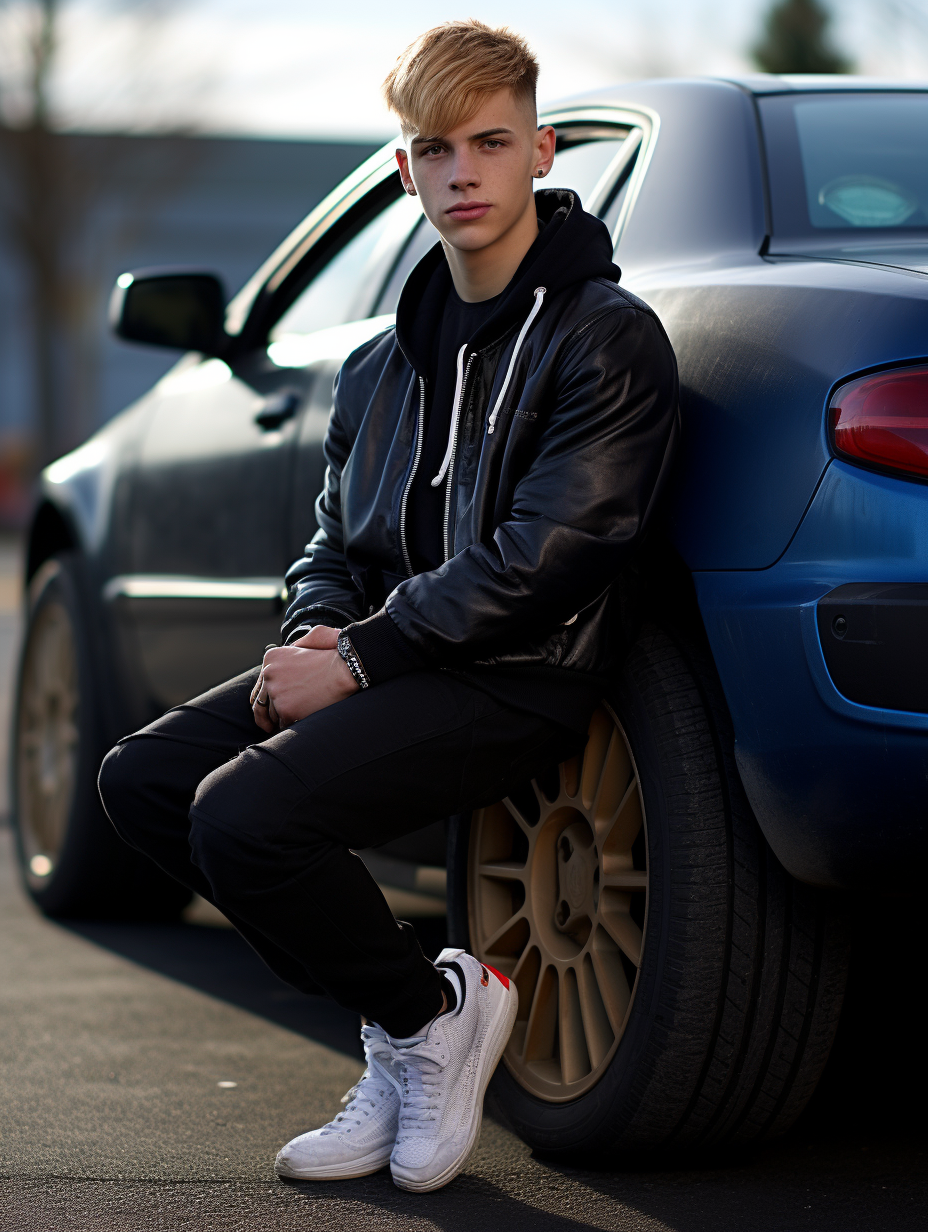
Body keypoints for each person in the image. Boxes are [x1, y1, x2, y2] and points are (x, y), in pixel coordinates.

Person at [98, 19, 679, 1193]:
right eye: (434, 147)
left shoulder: (605, 338)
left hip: (522, 672)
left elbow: (553, 553)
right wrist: (316, 627)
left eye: (490, 141)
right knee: (142, 783)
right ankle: (414, 1016)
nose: (463, 171)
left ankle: (422, 1016)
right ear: (404, 168)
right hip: (392, 658)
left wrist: (356, 660)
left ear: (541, 153)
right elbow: (332, 538)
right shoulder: (379, 362)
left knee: (243, 820)